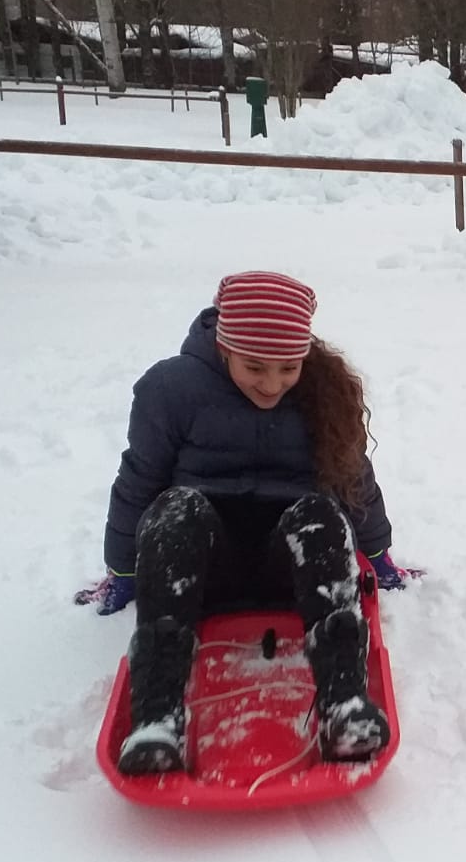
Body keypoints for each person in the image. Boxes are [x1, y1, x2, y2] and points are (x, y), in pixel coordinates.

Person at [75, 271, 414, 775]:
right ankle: (157, 719)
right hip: (205, 571)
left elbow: (353, 478)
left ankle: (344, 706)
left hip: (293, 573)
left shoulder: (323, 391)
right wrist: (124, 570)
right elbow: (139, 481)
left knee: (323, 513)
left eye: (288, 368)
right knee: (175, 509)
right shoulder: (171, 390)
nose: (272, 384)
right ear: (223, 346)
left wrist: (379, 553)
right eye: (255, 367)